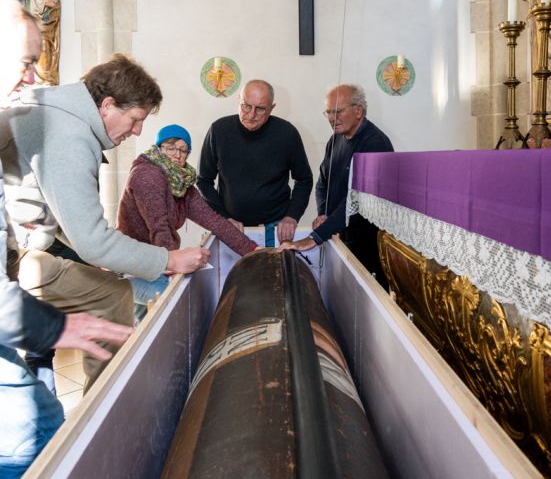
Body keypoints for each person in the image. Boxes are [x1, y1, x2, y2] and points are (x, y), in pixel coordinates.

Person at [0, 53, 209, 391]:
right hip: (13, 255)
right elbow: (93, 240)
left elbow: (67, 221)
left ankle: (61, 390)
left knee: (101, 289)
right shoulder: (69, 135)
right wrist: (169, 259)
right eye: (135, 119)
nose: (138, 130)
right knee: (112, 298)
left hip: (22, 244)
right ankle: (106, 409)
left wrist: (95, 255)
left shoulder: (62, 113)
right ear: (108, 105)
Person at [0, 0, 132, 479]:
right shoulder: (64, 131)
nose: (32, 77)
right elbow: (89, 235)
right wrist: (58, 325)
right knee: (36, 433)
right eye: (25, 61)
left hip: (26, 267)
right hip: (29, 273)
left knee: (43, 410)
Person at [117, 123, 257, 320]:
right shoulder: (147, 175)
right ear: (159, 148)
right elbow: (160, 227)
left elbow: (214, 221)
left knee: (144, 324)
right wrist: (173, 266)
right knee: (174, 295)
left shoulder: (183, 185)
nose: (177, 154)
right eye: (171, 147)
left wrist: (253, 249)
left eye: (183, 150)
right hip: (129, 266)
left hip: (155, 261)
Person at [280, 84, 393, 283]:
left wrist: (314, 237)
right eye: (328, 112)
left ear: (358, 110)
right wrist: (324, 213)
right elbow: (323, 182)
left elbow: (357, 199)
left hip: (366, 244)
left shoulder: (375, 144)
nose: (332, 118)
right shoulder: (335, 139)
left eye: (338, 111)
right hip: (339, 235)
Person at [197, 79, 313, 246]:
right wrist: (223, 217)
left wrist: (292, 216)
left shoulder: (287, 133)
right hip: (231, 224)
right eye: (246, 106)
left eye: (260, 109)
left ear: (272, 108)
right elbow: (203, 180)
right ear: (238, 100)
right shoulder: (219, 130)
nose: (251, 115)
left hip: (275, 226)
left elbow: (304, 179)